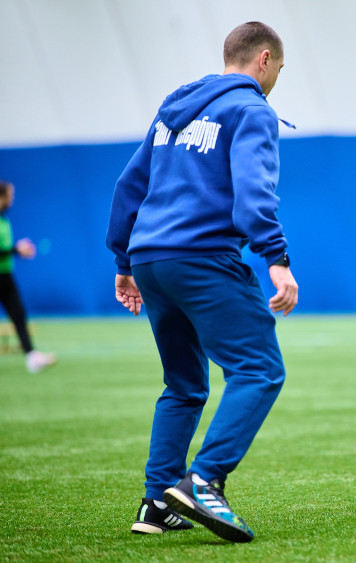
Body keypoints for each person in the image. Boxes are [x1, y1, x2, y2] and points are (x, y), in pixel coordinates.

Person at [106, 21, 298, 543]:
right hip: (202, 258)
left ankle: (156, 500)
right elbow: (253, 192)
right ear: (264, 59)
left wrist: (124, 262)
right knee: (259, 370)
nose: (277, 77)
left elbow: (130, 185)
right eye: (279, 68)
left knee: (184, 384)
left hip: (151, 260)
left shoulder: (174, 110)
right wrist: (275, 258)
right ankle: (204, 481)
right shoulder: (251, 109)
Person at [0, 180, 57, 374]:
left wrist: (16, 250)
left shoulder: (4, 219)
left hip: (5, 276)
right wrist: (16, 250)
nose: (12, 199)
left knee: (18, 315)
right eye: (10, 195)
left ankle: (32, 357)